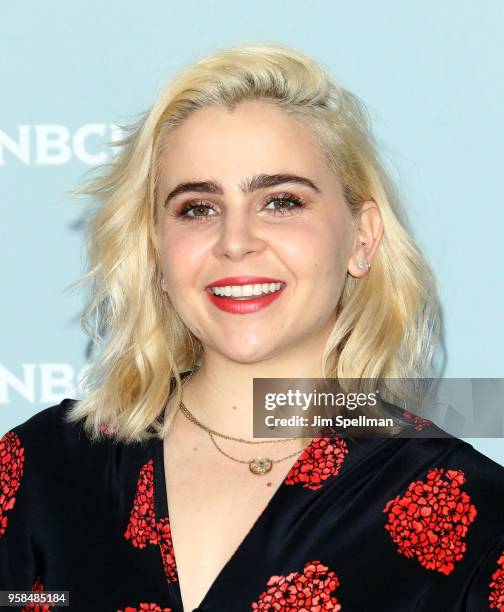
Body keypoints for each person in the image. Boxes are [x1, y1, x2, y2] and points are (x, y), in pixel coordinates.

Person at [0, 42, 503, 612]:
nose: (235, 241)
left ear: (362, 239)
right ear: (155, 251)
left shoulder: (475, 513)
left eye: (281, 201)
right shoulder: (43, 471)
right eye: (197, 208)